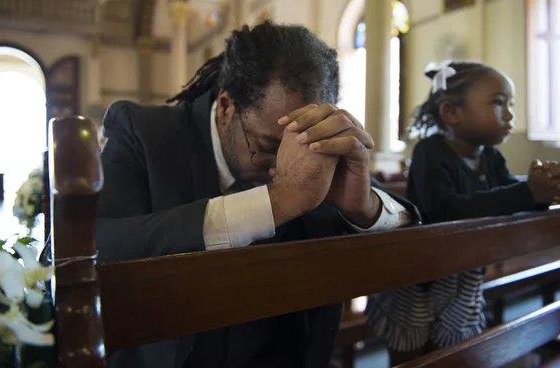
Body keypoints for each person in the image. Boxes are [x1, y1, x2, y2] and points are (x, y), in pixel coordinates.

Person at [97, 21, 420, 368]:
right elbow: (93, 246)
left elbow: (413, 232)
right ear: (225, 108)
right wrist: (276, 202)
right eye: (269, 146)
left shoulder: (319, 154)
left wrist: (364, 207)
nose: (283, 166)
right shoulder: (144, 134)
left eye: (301, 149)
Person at [366, 60, 560, 366]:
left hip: (463, 272)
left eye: (510, 103)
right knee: (411, 351)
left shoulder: (491, 157)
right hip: (419, 273)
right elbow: (444, 210)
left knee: (453, 350)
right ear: (452, 113)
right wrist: (528, 192)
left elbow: (510, 198)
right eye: (498, 103)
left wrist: (547, 190)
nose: (510, 114)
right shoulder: (429, 153)